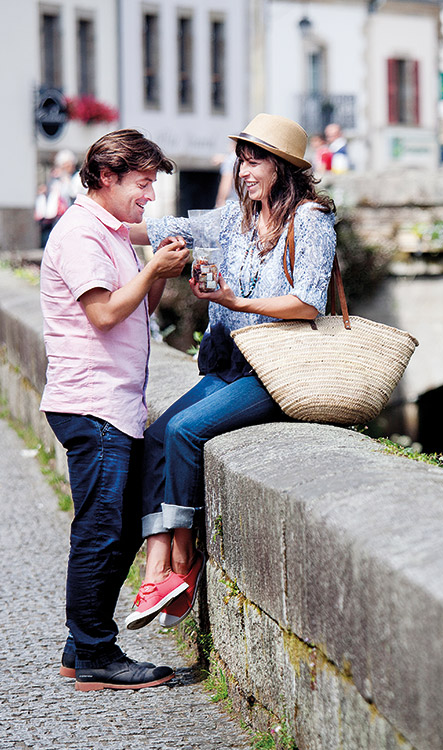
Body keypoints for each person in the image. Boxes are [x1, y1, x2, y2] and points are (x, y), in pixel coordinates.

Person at [125, 113, 336, 630]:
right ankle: (164, 567)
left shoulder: (310, 220)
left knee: (185, 431)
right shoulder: (232, 219)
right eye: (242, 158)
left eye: (256, 159)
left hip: (274, 367)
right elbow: (155, 230)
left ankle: (181, 562)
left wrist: (235, 300)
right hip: (225, 360)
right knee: (156, 435)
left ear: (283, 168)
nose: (244, 169)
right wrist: (91, 219)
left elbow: (308, 302)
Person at [40, 129, 190, 691]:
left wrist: (158, 274)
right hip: (92, 401)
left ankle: (81, 646)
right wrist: (152, 272)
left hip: (114, 401)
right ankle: (98, 656)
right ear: (108, 177)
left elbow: (137, 309)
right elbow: (103, 314)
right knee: (101, 531)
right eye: (143, 183)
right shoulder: (80, 233)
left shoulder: (111, 232)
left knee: (120, 525)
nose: (150, 196)